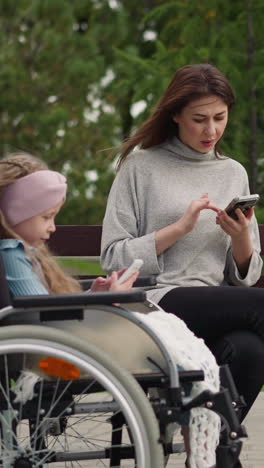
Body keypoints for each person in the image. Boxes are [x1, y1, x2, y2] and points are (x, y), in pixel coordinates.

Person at [0, 152, 222, 468]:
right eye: (46, 216)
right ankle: (197, 439)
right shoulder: (10, 253)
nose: (52, 228)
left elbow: (43, 308)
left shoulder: (25, 253)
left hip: (56, 350)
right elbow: (39, 315)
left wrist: (95, 293)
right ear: (15, 212)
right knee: (171, 353)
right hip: (54, 362)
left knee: (171, 344)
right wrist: (101, 302)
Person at [100, 63, 264, 439]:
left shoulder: (233, 172)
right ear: (175, 114)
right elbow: (112, 257)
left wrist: (240, 239)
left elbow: (247, 276)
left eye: (219, 118)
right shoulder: (140, 167)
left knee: (252, 352)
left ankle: (211, 450)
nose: (211, 131)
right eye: (199, 119)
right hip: (155, 302)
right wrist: (178, 229)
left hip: (213, 305)